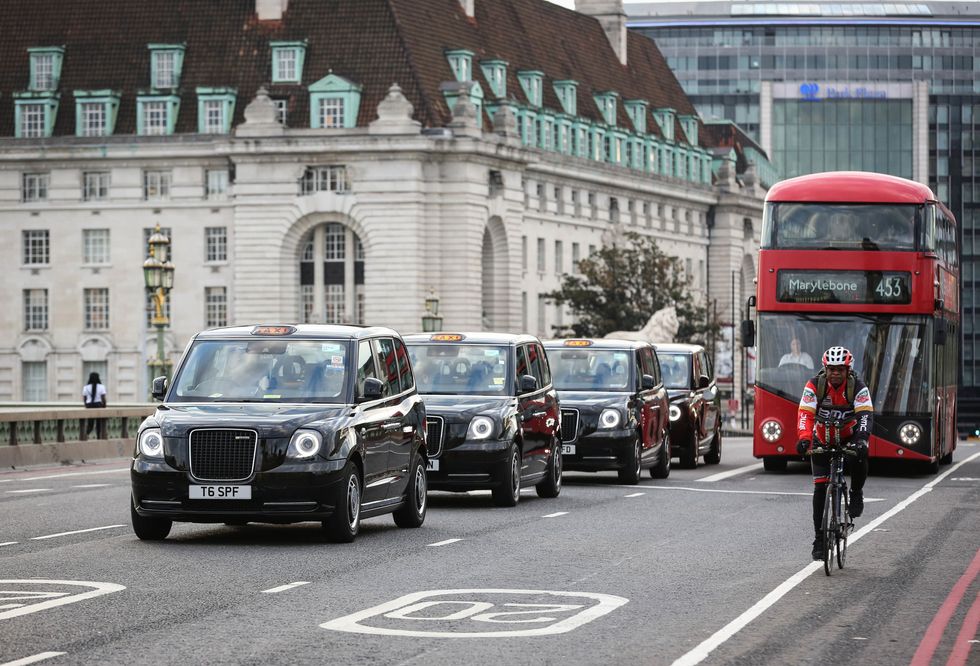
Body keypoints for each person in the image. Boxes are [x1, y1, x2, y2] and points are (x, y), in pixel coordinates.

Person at [796, 346, 873, 561]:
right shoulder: (814, 386)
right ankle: (819, 539)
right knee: (820, 487)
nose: (836, 373)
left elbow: (865, 416)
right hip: (822, 437)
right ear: (825, 369)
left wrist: (861, 439)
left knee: (860, 455)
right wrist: (804, 438)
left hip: (849, 436)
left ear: (848, 370)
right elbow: (805, 414)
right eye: (831, 369)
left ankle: (856, 492)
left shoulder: (858, 387)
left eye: (840, 369)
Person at [82, 371, 107, 437]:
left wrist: (86, 406)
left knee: (90, 424)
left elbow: (84, 399)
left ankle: (85, 436)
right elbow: (103, 398)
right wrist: (104, 406)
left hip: (89, 406)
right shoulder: (101, 387)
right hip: (98, 405)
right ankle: (98, 437)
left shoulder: (86, 387)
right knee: (99, 424)